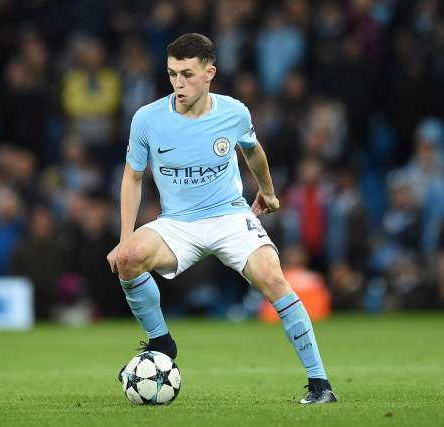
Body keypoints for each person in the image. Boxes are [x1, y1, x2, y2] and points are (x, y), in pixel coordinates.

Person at [106, 33, 336, 404]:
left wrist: (268, 192)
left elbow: (253, 150)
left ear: (209, 73)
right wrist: (123, 238)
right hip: (178, 223)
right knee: (128, 258)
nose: (178, 83)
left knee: (273, 278)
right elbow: (132, 178)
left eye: (187, 74)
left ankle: (320, 384)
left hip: (229, 215)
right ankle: (162, 342)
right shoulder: (147, 119)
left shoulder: (234, 113)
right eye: (172, 74)